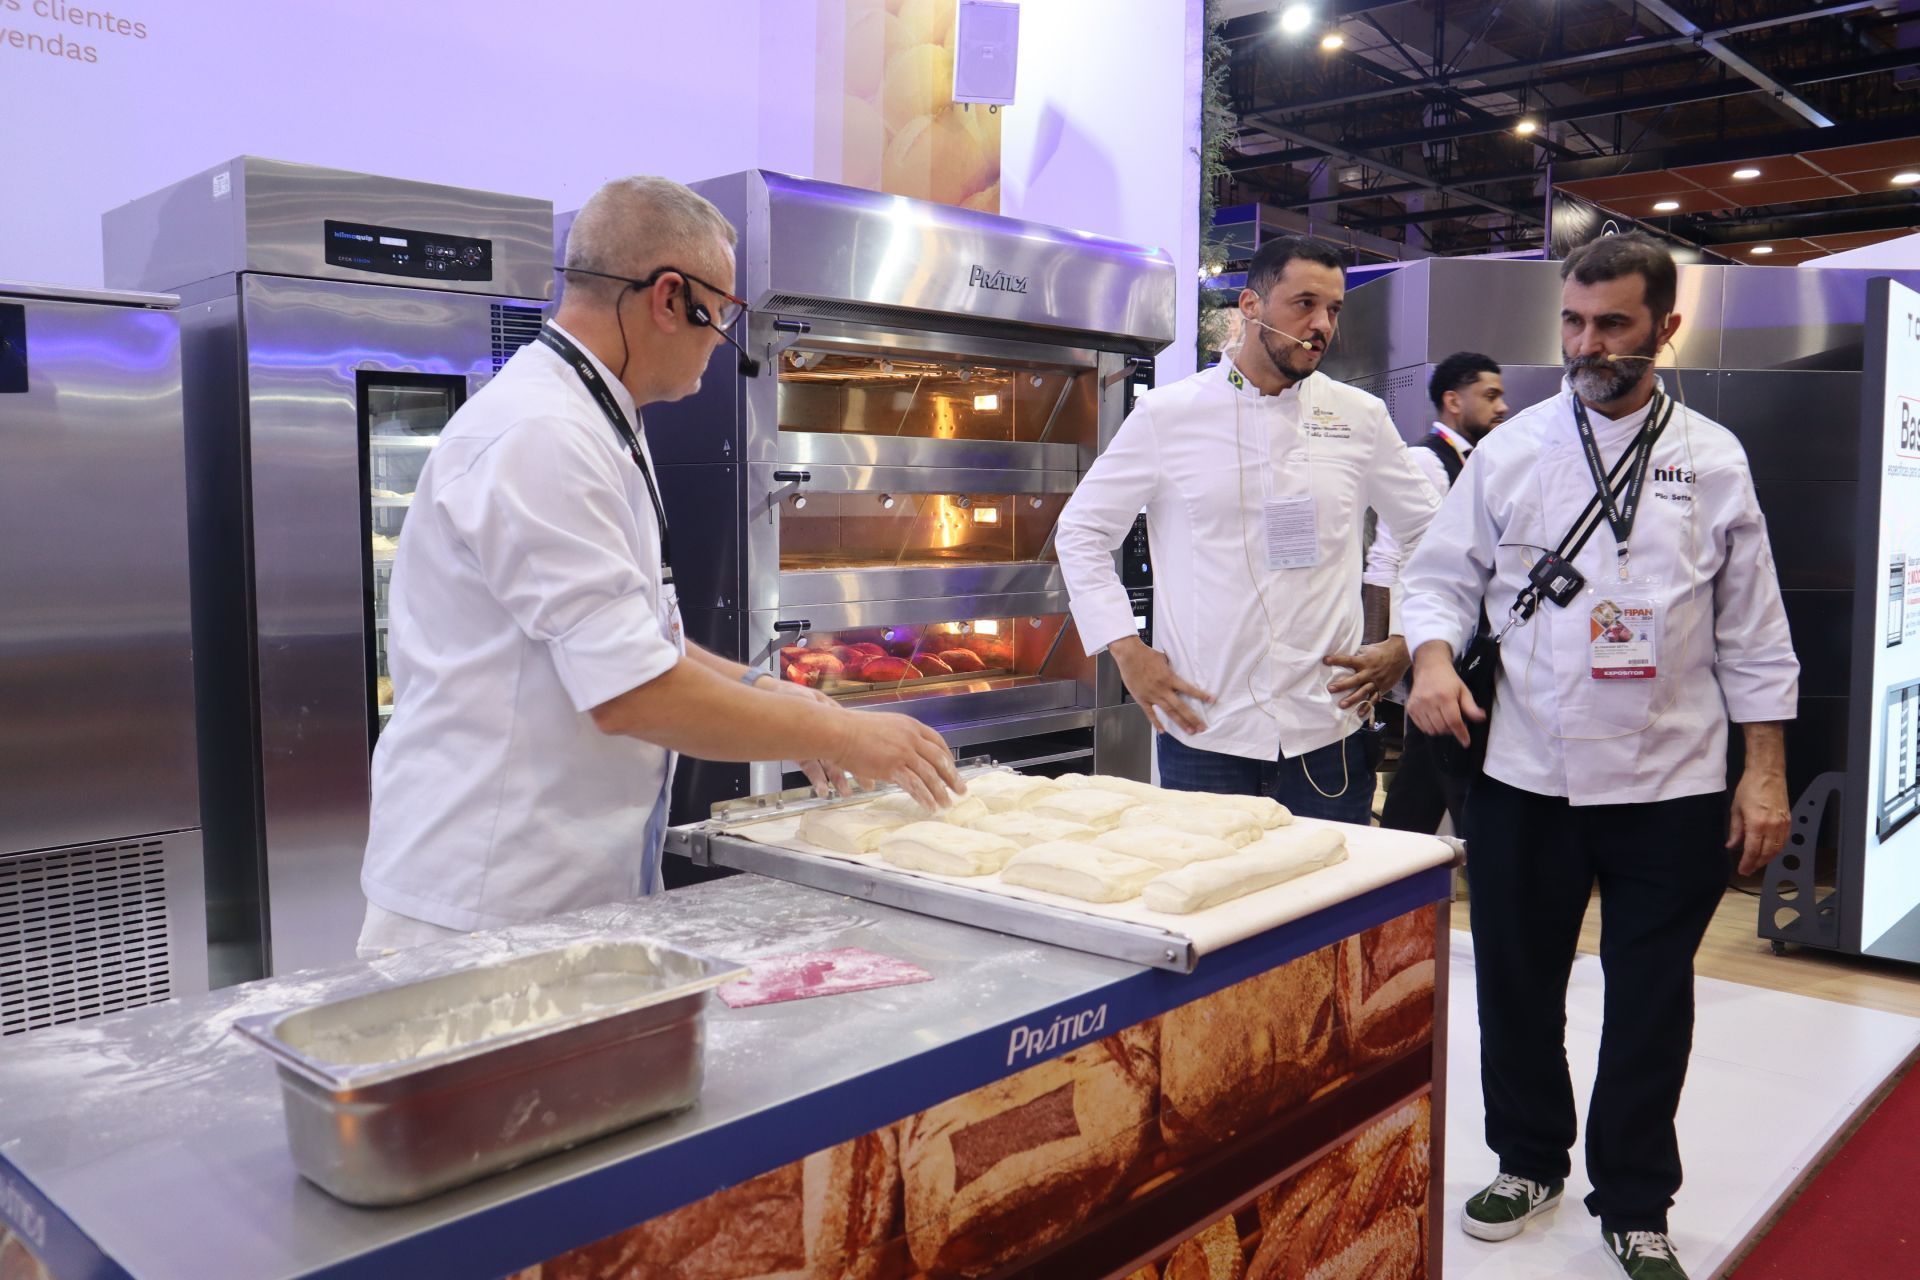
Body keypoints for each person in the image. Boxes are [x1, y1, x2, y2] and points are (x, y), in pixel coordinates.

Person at [357, 176, 960, 957]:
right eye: (726, 315)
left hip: (563, 891)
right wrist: (837, 733)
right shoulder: (541, 435)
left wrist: (767, 690)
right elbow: (633, 691)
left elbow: (643, 639)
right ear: (671, 298)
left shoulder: (599, 416)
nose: (723, 341)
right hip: (488, 907)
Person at [1400, 233, 1798, 1280]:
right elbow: (1440, 574)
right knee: (1518, 980)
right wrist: (1434, 659)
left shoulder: (1712, 458)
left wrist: (1764, 772)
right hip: (1525, 766)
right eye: (1573, 323)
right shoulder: (1512, 447)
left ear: (1666, 327)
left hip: (1673, 775)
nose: (1588, 344)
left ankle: (1634, 1196)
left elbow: (1754, 631)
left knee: (1650, 990)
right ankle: (1529, 1155)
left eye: (1613, 324)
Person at [1056, 235, 1440, 822]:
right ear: (1251, 305)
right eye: (1304, 303)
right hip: (1206, 727)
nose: (1321, 325)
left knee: (1326, 904)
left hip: (1327, 729)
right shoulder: (1169, 415)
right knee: (1213, 904)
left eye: (1333, 309)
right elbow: (1081, 531)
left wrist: (1406, 640)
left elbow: (1430, 532)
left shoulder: (1359, 417)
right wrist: (1126, 651)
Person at [1371, 351, 1508, 835]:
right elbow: (1389, 558)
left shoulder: (1486, 462)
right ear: (1453, 400)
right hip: (1432, 645)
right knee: (1446, 761)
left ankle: (1397, 867)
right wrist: (1392, 649)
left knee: (1427, 767)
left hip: (1464, 645)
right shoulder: (1425, 462)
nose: (1502, 407)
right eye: (1490, 395)